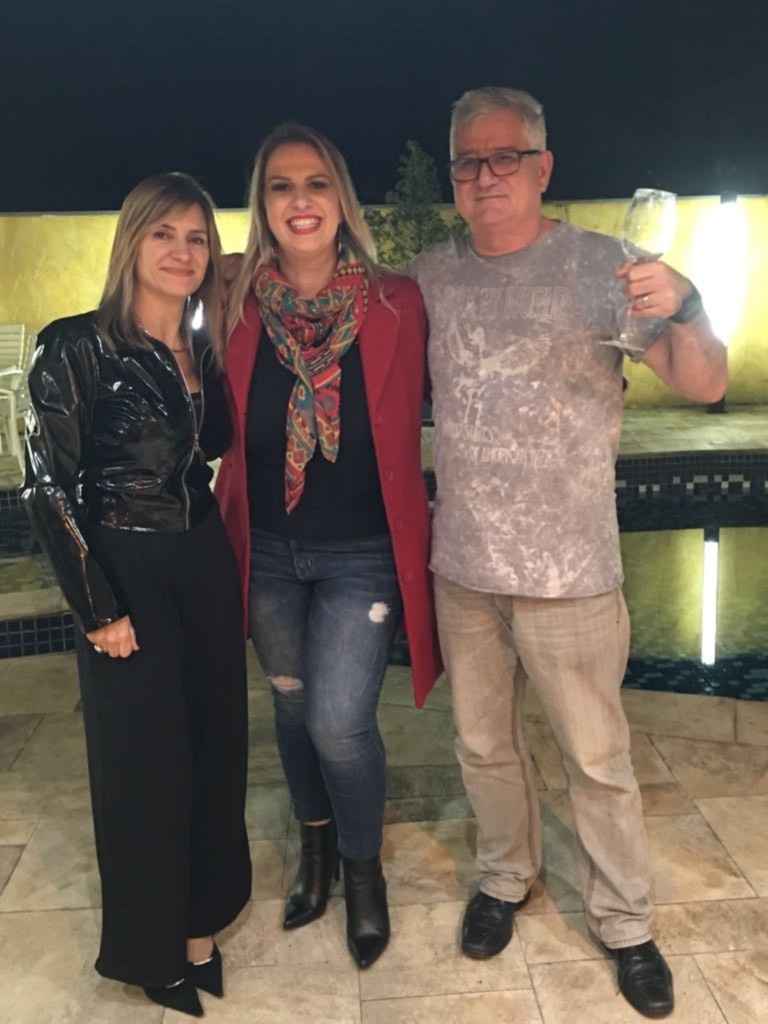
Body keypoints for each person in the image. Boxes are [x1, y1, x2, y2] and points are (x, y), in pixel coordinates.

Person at [410, 87, 726, 1020]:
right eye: (468, 161)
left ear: (543, 167)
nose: (485, 176)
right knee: (483, 747)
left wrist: (690, 303)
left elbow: (705, 383)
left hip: (572, 572)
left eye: (505, 157)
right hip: (464, 568)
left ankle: (626, 924)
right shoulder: (430, 277)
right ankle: (504, 878)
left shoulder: (605, 267)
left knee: (597, 758)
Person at [23, 173, 251, 1017]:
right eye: (164, 234)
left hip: (201, 559)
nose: (182, 252)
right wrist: (98, 605)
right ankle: (150, 950)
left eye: (197, 238)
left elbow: (214, 449)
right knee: (144, 767)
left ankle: (200, 925)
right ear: (133, 242)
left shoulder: (202, 348)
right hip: (124, 564)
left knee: (216, 748)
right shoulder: (75, 346)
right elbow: (45, 485)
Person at [215, 122, 442, 969]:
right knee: (289, 704)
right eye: (281, 185)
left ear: (341, 197)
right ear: (262, 204)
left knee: (338, 722)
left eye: (316, 183)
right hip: (267, 550)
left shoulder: (399, 302)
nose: (300, 200)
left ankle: (361, 867)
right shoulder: (233, 304)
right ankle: (314, 848)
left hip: (364, 553)